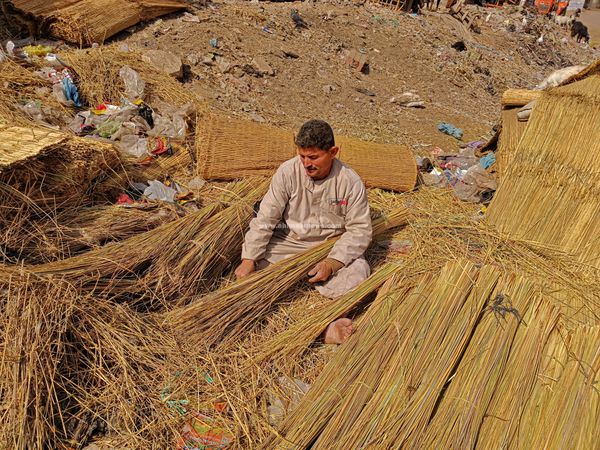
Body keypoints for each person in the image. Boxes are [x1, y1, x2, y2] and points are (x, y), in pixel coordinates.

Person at [235, 119, 372, 344]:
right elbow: (266, 217)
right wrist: (249, 258)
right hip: (289, 243)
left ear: (333, 152)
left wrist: (332, 263)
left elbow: (360, 230)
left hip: (328, 247)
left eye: (314, 157)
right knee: (257, 268)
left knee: (358, 273)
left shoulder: (350, 181)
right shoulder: (288, 172)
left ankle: (329, 324)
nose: (306, 164)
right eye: (302, 156)